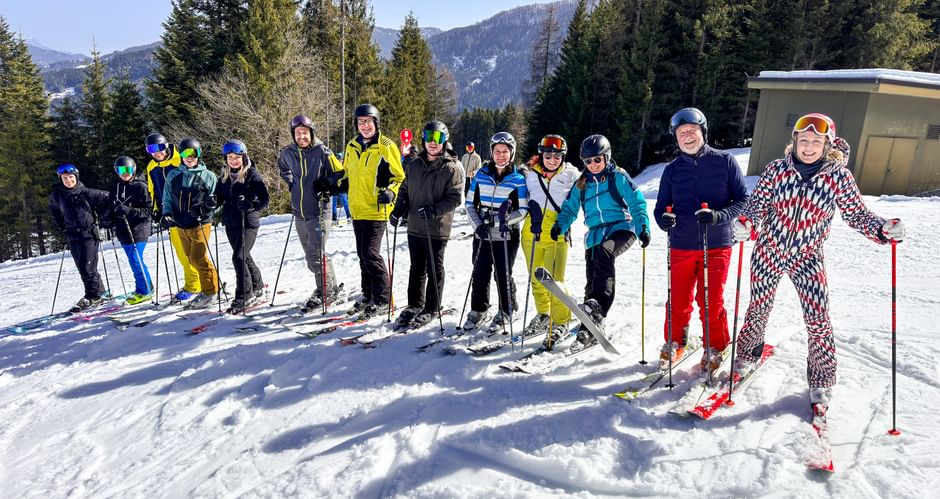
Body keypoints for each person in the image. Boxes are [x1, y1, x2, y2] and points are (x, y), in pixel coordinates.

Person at [731, 113, 905, 421]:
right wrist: (746, 225)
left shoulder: (838, 176)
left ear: (827, 145)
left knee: (818, 318)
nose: (808, 146)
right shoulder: (776, 170)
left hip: (807, 257)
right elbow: (756, 207)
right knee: (758, 307)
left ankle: (822, 382)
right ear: (794, 141)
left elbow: (857, 215)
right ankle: (746, 355)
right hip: (769, 250)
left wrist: (882, 229)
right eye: (803, 140)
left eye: (816, 141)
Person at [653, 107, 749, 375]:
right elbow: (660, 208)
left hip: (716, 244)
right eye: (681, 133)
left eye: (692, 131)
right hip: (681, 244)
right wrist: (665, 220)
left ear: (702, 132)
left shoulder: (725, 161)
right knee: (677, 300)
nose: (687, 137)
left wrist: (719, 216)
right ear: (676, 138)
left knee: (710, 299)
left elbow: (742, 200)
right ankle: (675, 342)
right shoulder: (672, 170)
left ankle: (716, 346)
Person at [548, 135, 650, 351]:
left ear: (606, 158)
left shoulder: (618, 178)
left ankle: (598, 306)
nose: (593, 165)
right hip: (594, 234)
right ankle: (591, 325)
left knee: (605, 253)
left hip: (622, 228)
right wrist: (560, 225)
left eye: (597, 160)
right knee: (592, 279)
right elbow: (569, 209)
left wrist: (643, 228)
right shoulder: (581, 184)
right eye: (588, 161)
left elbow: (637, 202)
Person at [389, 121, 464, 328]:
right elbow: (405, 190)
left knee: (434, 268)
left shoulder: (451, 167)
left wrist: (434, 210)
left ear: (444, 141)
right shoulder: (413, 165)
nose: (433, 142)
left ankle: (432, 306)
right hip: (415, 226)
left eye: (438, 138)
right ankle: (414, 304)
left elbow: (455, 198)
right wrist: (398, 209)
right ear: (423, 139)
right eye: (429, 137)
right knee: (416, 268)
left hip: (436, 228)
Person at [277, 114, 346, 311]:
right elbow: (283, 168)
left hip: (319, 210)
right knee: (313, 254)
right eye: (298, 133)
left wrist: (326, 183)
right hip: (299, 212)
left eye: (305, 133)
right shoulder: (288, 153)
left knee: (315, 256)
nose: (302, 137)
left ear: (311, 133)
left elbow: (340, 173)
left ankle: (326, 292)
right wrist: (292, 184)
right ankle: (328, 286)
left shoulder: (322, 151)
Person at [463, 132, 529, 334]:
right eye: (497, 151)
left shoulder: (518, 179)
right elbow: (469, 203)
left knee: (503, 273)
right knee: (480, 270)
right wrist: (478, 225)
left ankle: (507, 309)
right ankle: (479, 309)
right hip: (483, 231)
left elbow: (523, 210)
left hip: (506, 233)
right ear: (491, 153)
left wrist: (502, 220)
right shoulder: (481, 175)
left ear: (512, 153)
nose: (501, 155)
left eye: (505, 152)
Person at [343, 103, 405, 316]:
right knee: (362, 254)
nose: (365, 126)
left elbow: (400, 177)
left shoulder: (386, 146)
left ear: (376, 123)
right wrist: (337, 181)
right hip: (357, 208)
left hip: (376, 208)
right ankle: (368, 293)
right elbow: (347, 173)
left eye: (368, 121)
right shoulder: (351, 146)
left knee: (371, 253)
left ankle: (383, 298)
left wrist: (391, 192)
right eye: (361, 122)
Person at [519, 135, 579, 345]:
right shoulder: (528, 173)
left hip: (557, 233)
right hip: (531, 232)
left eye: (557, 155)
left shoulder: (571, 174)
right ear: (541, 154)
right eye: (548, 154)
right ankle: (544, 313)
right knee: (536, 279)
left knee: (554, 281)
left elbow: (590, 188)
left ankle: (561, 321)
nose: (552, 159)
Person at [161, 138, 219, 309]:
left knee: (198, 257)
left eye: (193, 153)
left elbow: (214, 201)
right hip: (180, 224)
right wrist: (167, 214)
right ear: (180, 155)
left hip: (200, 223)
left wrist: (207, 209)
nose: (190, 157)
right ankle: (213, 283)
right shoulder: (174, 175)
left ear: (199, 154)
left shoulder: (208, 176)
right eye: (185, 153)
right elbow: (167, 198)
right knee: (191, 259)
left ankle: (210, 292)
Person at [216, 139, 270, 314]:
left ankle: (244, 296)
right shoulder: (224, 177)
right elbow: (218, 197)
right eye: (230, 157)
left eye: (237, 157)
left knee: (238, 258)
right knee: (245, 257)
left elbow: (264, 199)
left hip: (248, 223)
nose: (233, 160)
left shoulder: (251, 175)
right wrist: (212, 201)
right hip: (231, 223)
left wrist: (251, 203)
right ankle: (257, 285)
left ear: (244, 157)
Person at [48, 164, 112, 312]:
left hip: (88, 235)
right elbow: (54, 212)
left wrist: (104, 219)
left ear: (76, 177)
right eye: (65, 178)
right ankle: (100, 292)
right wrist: (63, 227)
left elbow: (109, 200)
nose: (68, 180)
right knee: (83, 267)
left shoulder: (87, 193)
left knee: (87, 266)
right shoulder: (57, 195)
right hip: (72, 236)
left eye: (71, 177)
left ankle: (93, 295)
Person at [145, 132, 199, 302]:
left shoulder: (179, 160)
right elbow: (153, 190)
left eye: (160, 147)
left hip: (187, 213)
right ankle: (193, 284)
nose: (157, 152)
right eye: (152, 150)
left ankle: (202, 282)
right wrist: (156, 210)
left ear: (166, 146)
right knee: (182, 252)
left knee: (195, 252)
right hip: (169, 215)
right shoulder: (151, 167)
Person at [108, 156, 153, 305]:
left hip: (139, 227)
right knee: (133, 260)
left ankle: (144, 290)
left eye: (128, 169)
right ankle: (147, 286)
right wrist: (109, 217)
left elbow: (148, 211)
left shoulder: (141, 186)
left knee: (136, 258)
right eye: (121, 170)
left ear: (133, 169)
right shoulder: (116, 186)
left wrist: (128, 211)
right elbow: (112, 206)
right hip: (123, 228)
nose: (125, 173)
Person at [332, 152, 351, 227]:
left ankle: (349, 216)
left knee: (345, 202)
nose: (339, 160)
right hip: (335, 187)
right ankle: (334, 218)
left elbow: (346, 177)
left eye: (340, 159)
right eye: (337, 159)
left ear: (342, 160)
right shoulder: (333, 167)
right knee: (334, 202)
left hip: (342, 188)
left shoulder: (344, 167)